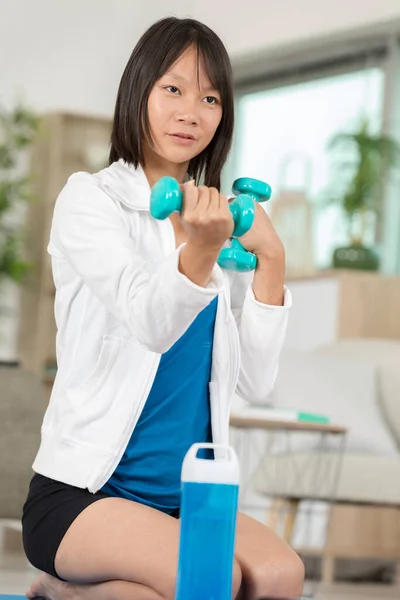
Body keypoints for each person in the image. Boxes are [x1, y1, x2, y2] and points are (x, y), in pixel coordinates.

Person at [22, 16, 304, 600]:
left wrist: (271, 258)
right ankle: (62, 589)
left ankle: (75, 589)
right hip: (85, 495)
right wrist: (200, 250)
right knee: (208, 579)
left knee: (280, 576)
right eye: (172, 89)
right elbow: (150, 321)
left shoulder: (213, 222)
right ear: (138, 92)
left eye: (209, 98)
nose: (191, 112)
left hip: (187, 498)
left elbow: (255, 379)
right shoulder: (91, 200)